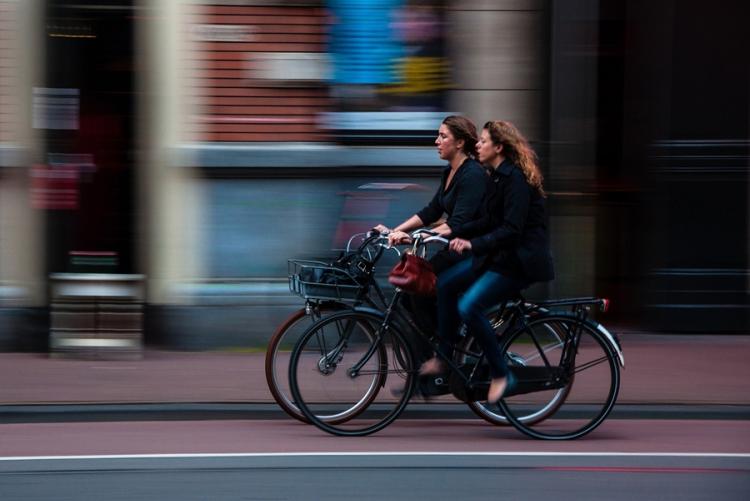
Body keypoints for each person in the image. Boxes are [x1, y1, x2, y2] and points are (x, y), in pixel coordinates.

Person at [420, 120, 555, 404]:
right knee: (444, 284)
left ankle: (502, 374)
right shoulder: (495, 176)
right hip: (497, 256)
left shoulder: (515, 179)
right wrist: (454, 233)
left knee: (469, 306)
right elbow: (485, 220)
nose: (477, 146)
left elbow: (511, 230)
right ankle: (444, 357)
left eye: (482, 141)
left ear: (499, 147)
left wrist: (472, 243)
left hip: (519, 262)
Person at [374, 115, 486, 274]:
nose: (437, 141)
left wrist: (416, 237)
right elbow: (432, 211)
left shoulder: (472, 174)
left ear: (460, 143)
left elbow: (458, 223)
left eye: (443, 136)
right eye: (438, 135)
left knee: (422, 283)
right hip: (453, 247)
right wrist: (393, 232)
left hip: (472, 251)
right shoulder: (449, 171)